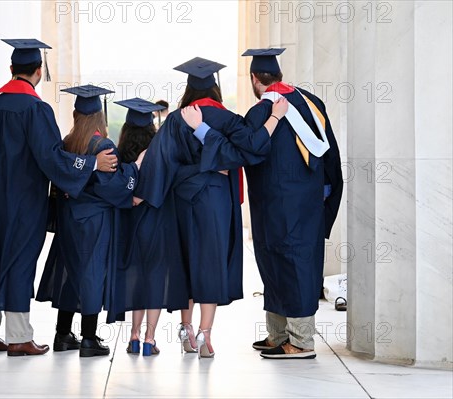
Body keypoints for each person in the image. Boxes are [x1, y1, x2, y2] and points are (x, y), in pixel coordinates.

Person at [0, 40, 118, 357]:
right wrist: (90, 163)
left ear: (10, 70)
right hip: (25, 201)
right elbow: (51, 159)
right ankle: (19, 337)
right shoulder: (36, 110)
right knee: (19, 262)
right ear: (38, 71)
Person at [135, 57, 288, 358]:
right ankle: (205, 335)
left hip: (182, 199)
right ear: (215, 89)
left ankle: (185, 329)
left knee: (184, 261)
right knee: (210, 262)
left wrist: (139, 195)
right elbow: (250, 150)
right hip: (215, 199)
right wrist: (274, 119)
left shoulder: (176, 119)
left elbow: (158, 161)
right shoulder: (229, 118)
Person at [228, 48, 343, 359]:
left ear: (255, 79)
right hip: (305, 204)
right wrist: (328, 194)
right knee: (281, 264)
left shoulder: (259, 114)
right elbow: (330, 155)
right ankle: (278, 335)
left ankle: (302, 341)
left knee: (290, 266)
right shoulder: (311, 104)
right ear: (278, 75)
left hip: (275, 205)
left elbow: (249, 154)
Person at [36, 85, 143, 358]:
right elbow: (115, 187)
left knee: (72, 274)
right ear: (100, 118)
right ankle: (88, 338)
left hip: (69, 219)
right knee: (92, 274)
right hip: (94, 221)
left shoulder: (68, 142)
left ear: (76, 115)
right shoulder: (103, 146)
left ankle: (63, 334)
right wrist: (136, 168)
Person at [114, 98, 188, 356]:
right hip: (157, 219)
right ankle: (148, 339)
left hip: (130, 221)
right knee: (155, 277)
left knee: (136, 278)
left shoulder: (118, 152)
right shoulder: (161, 149)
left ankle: (133, 336)